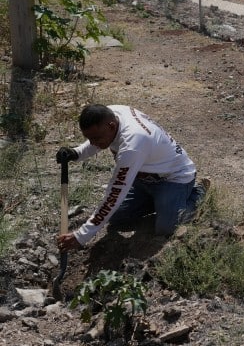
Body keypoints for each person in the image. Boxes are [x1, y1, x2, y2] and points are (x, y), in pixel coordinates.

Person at [56, 104, 206, 252]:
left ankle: (198, 193)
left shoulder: (132, 145)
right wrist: (76, 153)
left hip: (173, 178)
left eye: (96, 138)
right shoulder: (112, 113)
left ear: (112, 126)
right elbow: (95, 140)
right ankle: (161, 202)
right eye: (89, 138)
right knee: (115, 217)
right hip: (143, 177)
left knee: (166, 227)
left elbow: (114, 195)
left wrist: (81, 236)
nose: (93, 143)